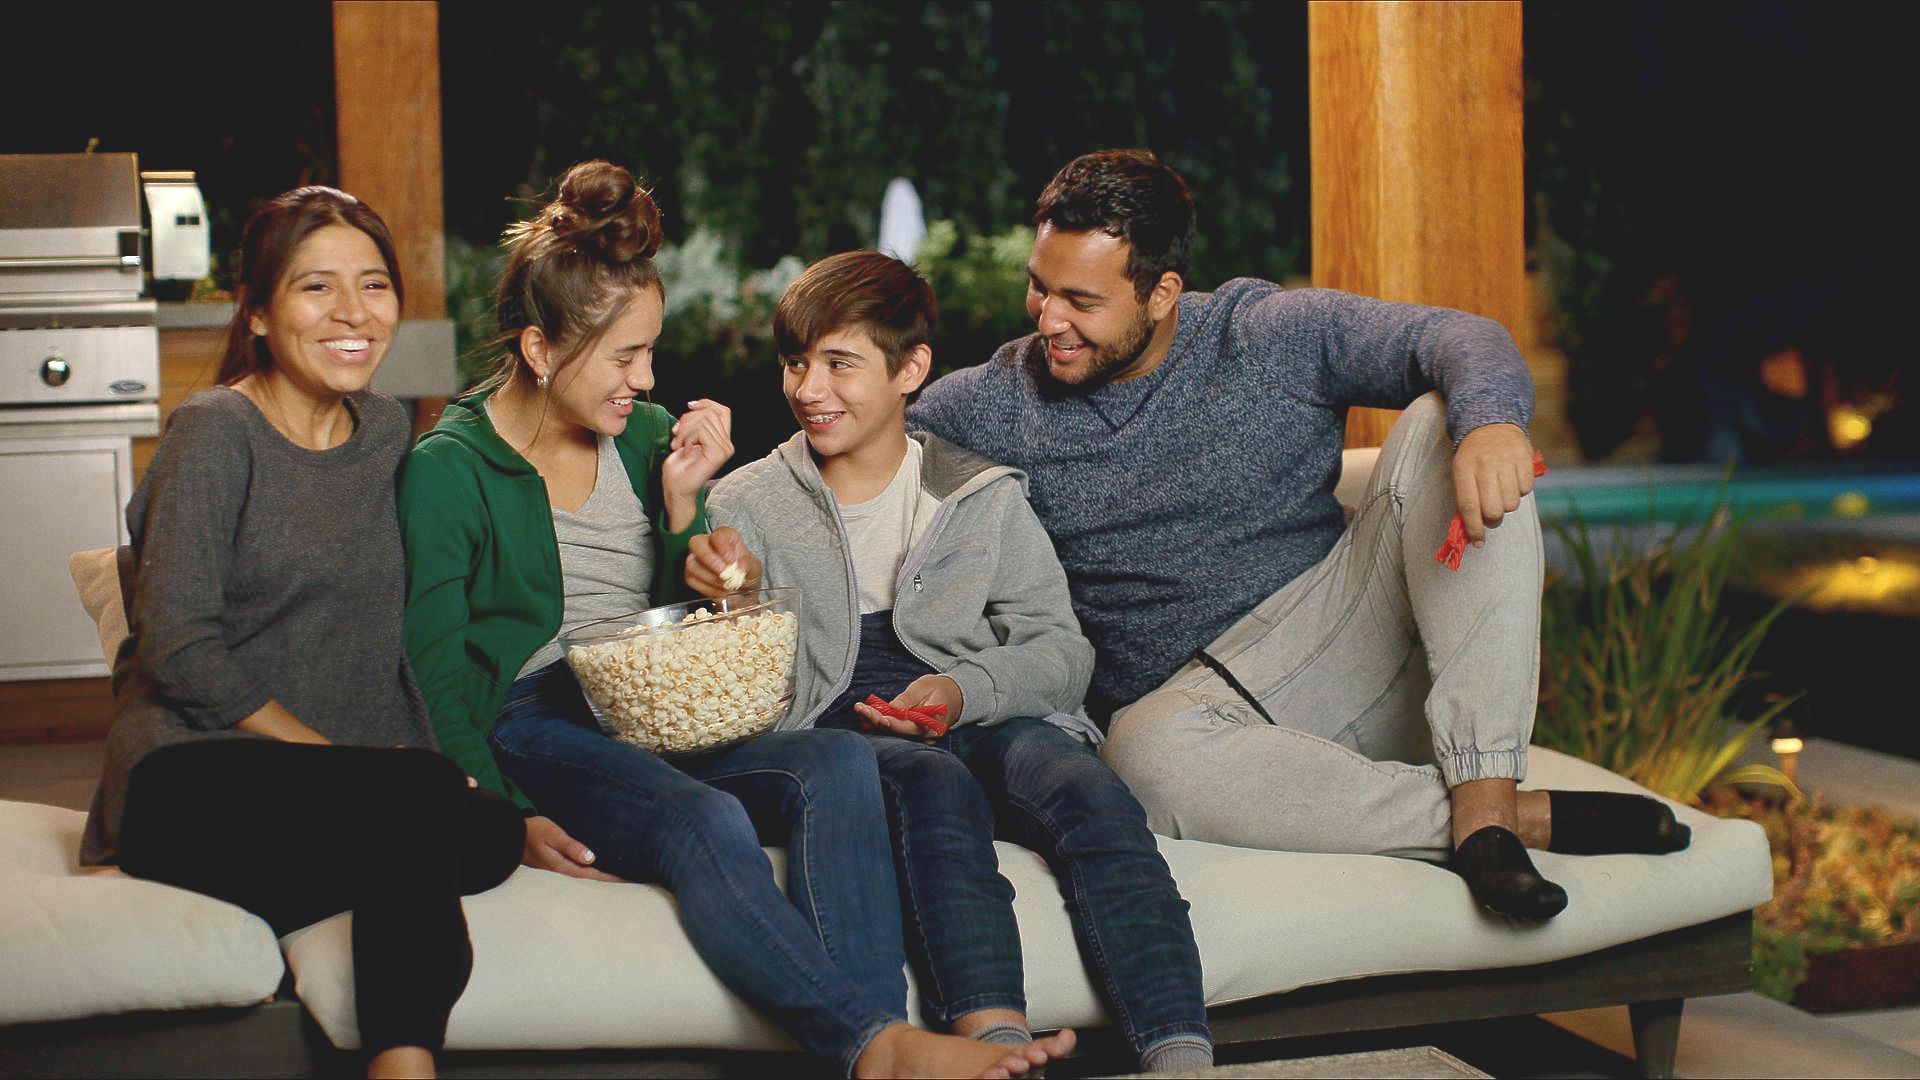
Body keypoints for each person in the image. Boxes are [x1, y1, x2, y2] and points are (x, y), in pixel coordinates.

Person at [907, 149, 1693, 923]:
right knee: (1139, 760)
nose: (1049, 319)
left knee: (1438, 419)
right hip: (1203, 727)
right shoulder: (994, 403)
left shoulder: (1266, 335)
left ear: (1162, 292)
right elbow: (867, 447)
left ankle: (1487, 794)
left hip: (1348, 649)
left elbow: (1459, 337)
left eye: (1080, 299)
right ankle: (1513, 823)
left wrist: (1491, 422)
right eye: (1038, 288)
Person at [397, 160, 1056, 1079]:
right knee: (705, 820)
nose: (648, 378)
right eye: (625, 358)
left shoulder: (642, 435)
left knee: (834, 759)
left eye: (651, 350)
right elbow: (428, 671)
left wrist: (688, 522)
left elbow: (687, 610)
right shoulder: (449, 468)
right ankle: (874, 1044)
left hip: (655, 701)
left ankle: (883, 1033)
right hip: (537, 717)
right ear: (541, 351)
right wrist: (503, 815)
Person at [690, 250, 1206, 1072]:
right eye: (796, 363)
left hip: (974, 709)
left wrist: (961, 693)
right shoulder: (744, 502)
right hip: (842, 732)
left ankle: (1181, 1051)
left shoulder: (981, 492)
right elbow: (731, 693)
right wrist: (735, 600)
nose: (809, 389)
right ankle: (992, 1045)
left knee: (1087, 789)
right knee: (934, 786)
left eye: (839, 363)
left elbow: (1061, 651)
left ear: (911, 369)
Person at [79, 186, 525, 1079]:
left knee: (492, 831)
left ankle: (383, 856)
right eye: (317, 288)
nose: (354, 314)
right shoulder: (216, 433)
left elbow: (387, 642)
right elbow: (177, 644)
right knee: (419, 810)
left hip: (322, 795)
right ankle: (405, 1068)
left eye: (374, 285)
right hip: (186, 778)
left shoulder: (389, 433)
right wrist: (336, 762)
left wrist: (453, 769)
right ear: (257, 313)